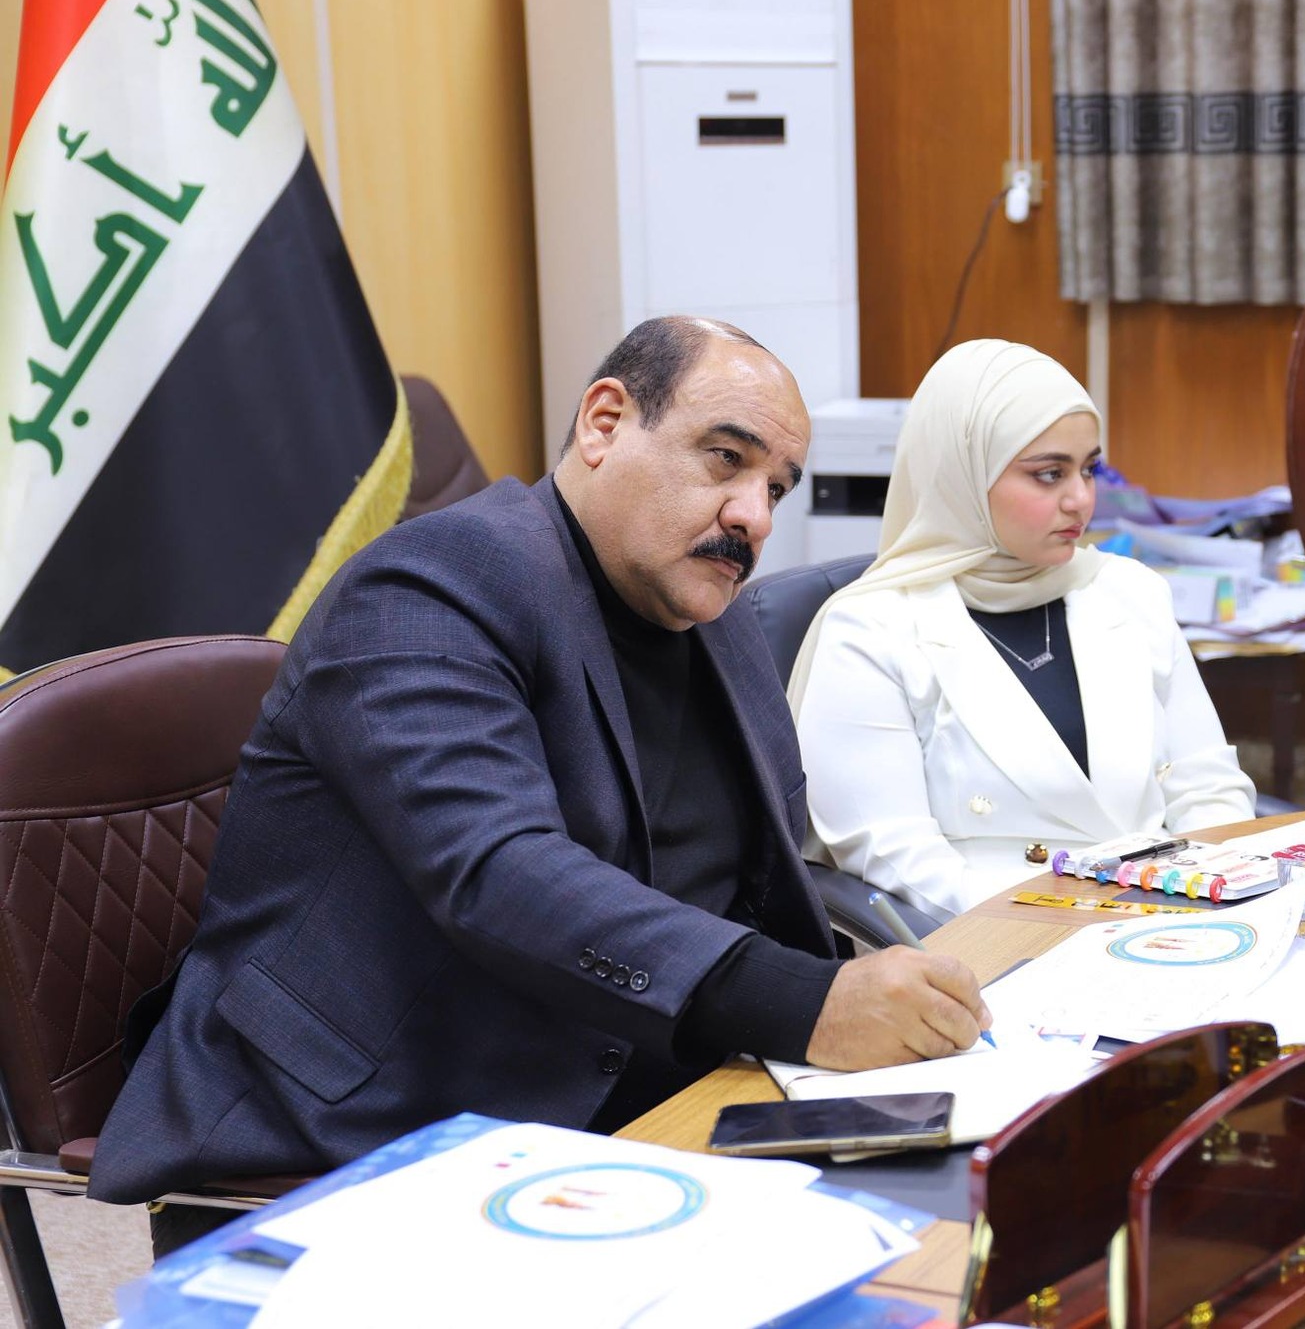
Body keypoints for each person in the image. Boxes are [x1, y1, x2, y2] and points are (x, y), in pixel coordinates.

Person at [93, 317, 990, 1230]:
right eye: (726, 458)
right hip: (376, 1116)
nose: (753, 517)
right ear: (604, 423)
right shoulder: (426, 587)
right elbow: (501, 874)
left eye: (776, 488)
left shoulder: (708, 614)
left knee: (964, 1212)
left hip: (643, 1086)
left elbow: (755, 885)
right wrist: (803, 1005)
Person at [789, 339, 1255, 919]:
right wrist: (1073, 927)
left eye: (1089, 469)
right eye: (1049, 474)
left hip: (1172, 923)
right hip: (991, 940)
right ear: (964, 476)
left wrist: (1229, 898)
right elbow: (894, 854)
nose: (1080, 499)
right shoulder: (871, 630)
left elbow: (1208, 787)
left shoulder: (1130, 591)